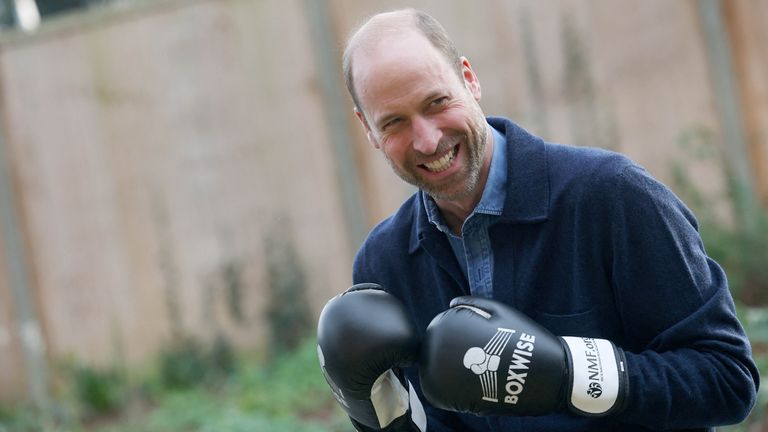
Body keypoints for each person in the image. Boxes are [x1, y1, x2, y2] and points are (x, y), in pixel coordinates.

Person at [316, 8, 760, 432]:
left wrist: (570, 373)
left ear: (469, 79)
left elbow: (727, 379)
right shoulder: (384, 264)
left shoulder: (611, 196)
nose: (427, 140)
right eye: (394, 122)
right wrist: (381, 416)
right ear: (368, 130)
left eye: (436, 102)